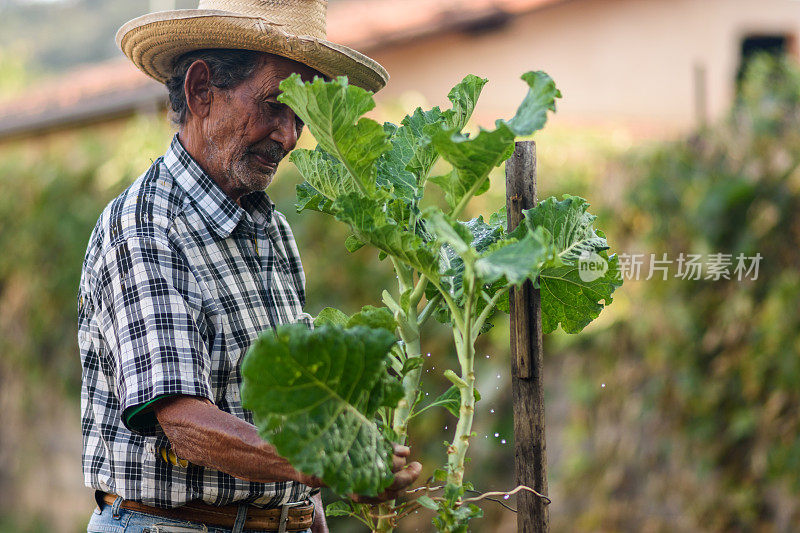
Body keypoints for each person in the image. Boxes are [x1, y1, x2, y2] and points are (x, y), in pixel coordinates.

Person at [78, 1, 422, 532]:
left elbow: (296, 412)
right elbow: (183, 421)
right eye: (274, 106)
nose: (288, 136)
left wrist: (310, 515)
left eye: (300, 115)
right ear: (200, 91)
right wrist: (331, 463)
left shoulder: (271, 230)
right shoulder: (145, 225)